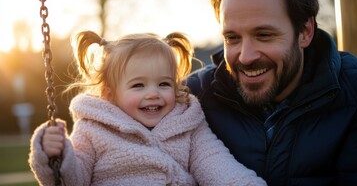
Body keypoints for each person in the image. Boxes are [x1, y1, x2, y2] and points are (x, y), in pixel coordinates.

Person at [187, 0, 357, 186]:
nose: (246, 57)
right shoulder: (192, 98)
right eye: (232, 38)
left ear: (305, 31)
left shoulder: (355, 93)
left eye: (264, 35)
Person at [29, 31, 267, 186]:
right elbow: (73, 179)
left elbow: (219, 167)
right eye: (138, 85)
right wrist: (56, 155)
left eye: (164, 83)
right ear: (109, 94)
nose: (153, 93)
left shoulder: (188, 125)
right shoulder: (92, 129)